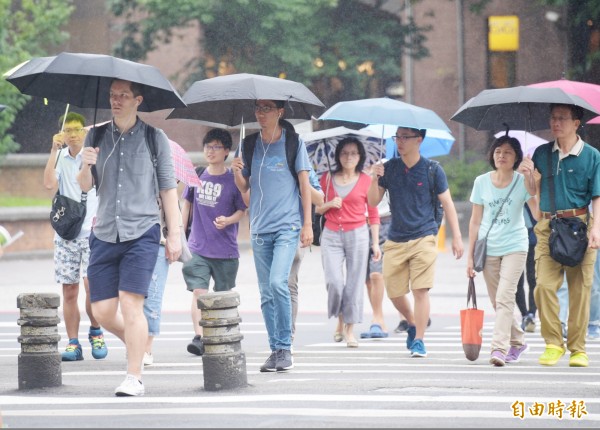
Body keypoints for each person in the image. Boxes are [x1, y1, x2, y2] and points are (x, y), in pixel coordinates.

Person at [78, 78, 182, 396]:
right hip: (105, 232)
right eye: (112, 95)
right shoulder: (94, 136)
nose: (116, 100)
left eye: (123, 95)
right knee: (101, 312)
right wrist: (85, 164)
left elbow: (168, 189)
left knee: (131, 304)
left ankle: (134, 376)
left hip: (143, 232)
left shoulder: (155, 138)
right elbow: (84, 186)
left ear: (138, 100)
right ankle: (138, 343)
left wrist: (174, 235)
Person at [231, 99, 313, 373]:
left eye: (267, 108)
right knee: (266, 293)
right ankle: (276, 349)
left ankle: (286, 347)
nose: (261, 113)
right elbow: (245, 187)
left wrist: (308, 224)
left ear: (280, 112)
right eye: (258, 108)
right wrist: (236, 172)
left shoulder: (293, 143)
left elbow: (304, 184)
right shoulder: (249, 145)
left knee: (279, 282)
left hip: (287, 226)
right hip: (260, 228)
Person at [368, 127, 464, 358]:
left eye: (405, 137)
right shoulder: (389, 168)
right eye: (397, 137)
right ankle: (412, 322)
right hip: (396, 238)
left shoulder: (433, 170)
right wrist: (375, 177)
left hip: (424, 236)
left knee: (420, 290)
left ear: (419, 140)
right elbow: (372, 201)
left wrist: (457, 238)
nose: (399, 141)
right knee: (393, 291)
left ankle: (419, 340)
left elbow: (448, 203)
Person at [531, 103, 600, 368]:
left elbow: (597, 195)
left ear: (576, 123)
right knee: (544, 286)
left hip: (580, 226)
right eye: (552, 118)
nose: (555, 123)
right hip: (548, 226)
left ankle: (578, 348)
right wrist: (529, 176)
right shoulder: (541, 153)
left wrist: (596, 228)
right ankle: (552, 343)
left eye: (561, 118)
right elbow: (531, 191)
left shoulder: (592, 155)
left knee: (580, 290)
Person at [467, 135, 537, 366]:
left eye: (507, 152)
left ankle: (499, 348)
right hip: (489, 248)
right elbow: (475, 221)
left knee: (505, 296)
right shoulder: (481, 182)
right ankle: (518, 341)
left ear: (516, 157)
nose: (501, 156)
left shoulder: (521, 181)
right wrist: (469, 257)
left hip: (515, 245)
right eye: (498, 151)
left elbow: (537, 212)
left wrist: (531, 179)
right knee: (498, 301)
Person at [43, 111, 107, 362]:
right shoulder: (59, 156)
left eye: (77, 130)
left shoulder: (92, 156)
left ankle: (96, 330)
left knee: (93, 288)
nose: (72, 135)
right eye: (67, 130)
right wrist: (52, 150)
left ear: (85, 131)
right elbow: (49, 185)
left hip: (92, 232)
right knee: (69, 290)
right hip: (67, 233)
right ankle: (73, 343)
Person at [181, 128, 247, 357]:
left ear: (227, 151)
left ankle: (220, 336)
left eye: (216, 147)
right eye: (208, 146)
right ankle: (199, 337)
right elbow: (187, 204)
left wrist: (229, 220)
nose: (210, 151)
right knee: (199, 292)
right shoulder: (196, 174)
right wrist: (181, 235)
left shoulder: (233, 180)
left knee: (222, 295)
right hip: (198, 246)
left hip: (225, 250)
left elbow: (242, 209)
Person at [317, 137, 380, 348]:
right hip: (331, 234)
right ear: (338, 156)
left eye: (353, 153)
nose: (349, 157)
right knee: (334, 281)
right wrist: (328, 204)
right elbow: (316, 209)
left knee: (354, 284)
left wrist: (376, 243)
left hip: (358, 234)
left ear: (360, 156)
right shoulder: (326, 178)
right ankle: (340, 318)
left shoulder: (365, 180)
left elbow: (373, 211)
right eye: (344, 153)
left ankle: (349, 329)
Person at [287, 167, 324, 345]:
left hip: (295, 233)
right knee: (273, 287)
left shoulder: (306, 170)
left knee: (289, 285)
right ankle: (279, 333)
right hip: (269, 230)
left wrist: (302, 181)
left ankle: (288, 335)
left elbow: (320, 199)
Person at [515, 203, 538, 333]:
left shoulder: (531, 187)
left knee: (533, 279)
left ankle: (531, 314)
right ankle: (525, 314)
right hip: (515, 241)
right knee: (518, 280)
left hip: (533, 239)